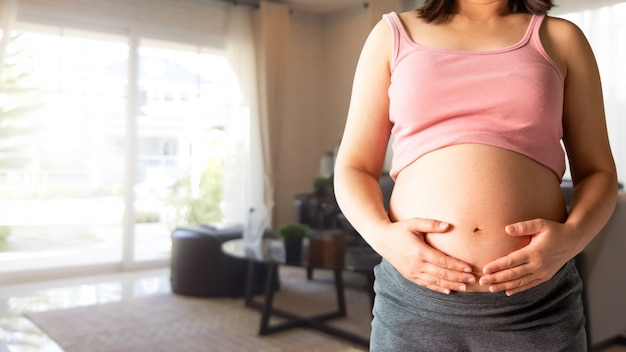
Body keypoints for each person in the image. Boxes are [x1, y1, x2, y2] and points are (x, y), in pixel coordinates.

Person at [333, 0, 618, 350]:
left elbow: (598, 172)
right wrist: (381, 237)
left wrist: (573, 238)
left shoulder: (561, 38)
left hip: (537, 309)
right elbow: (354, 167)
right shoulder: (391, 35)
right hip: (414, 307)